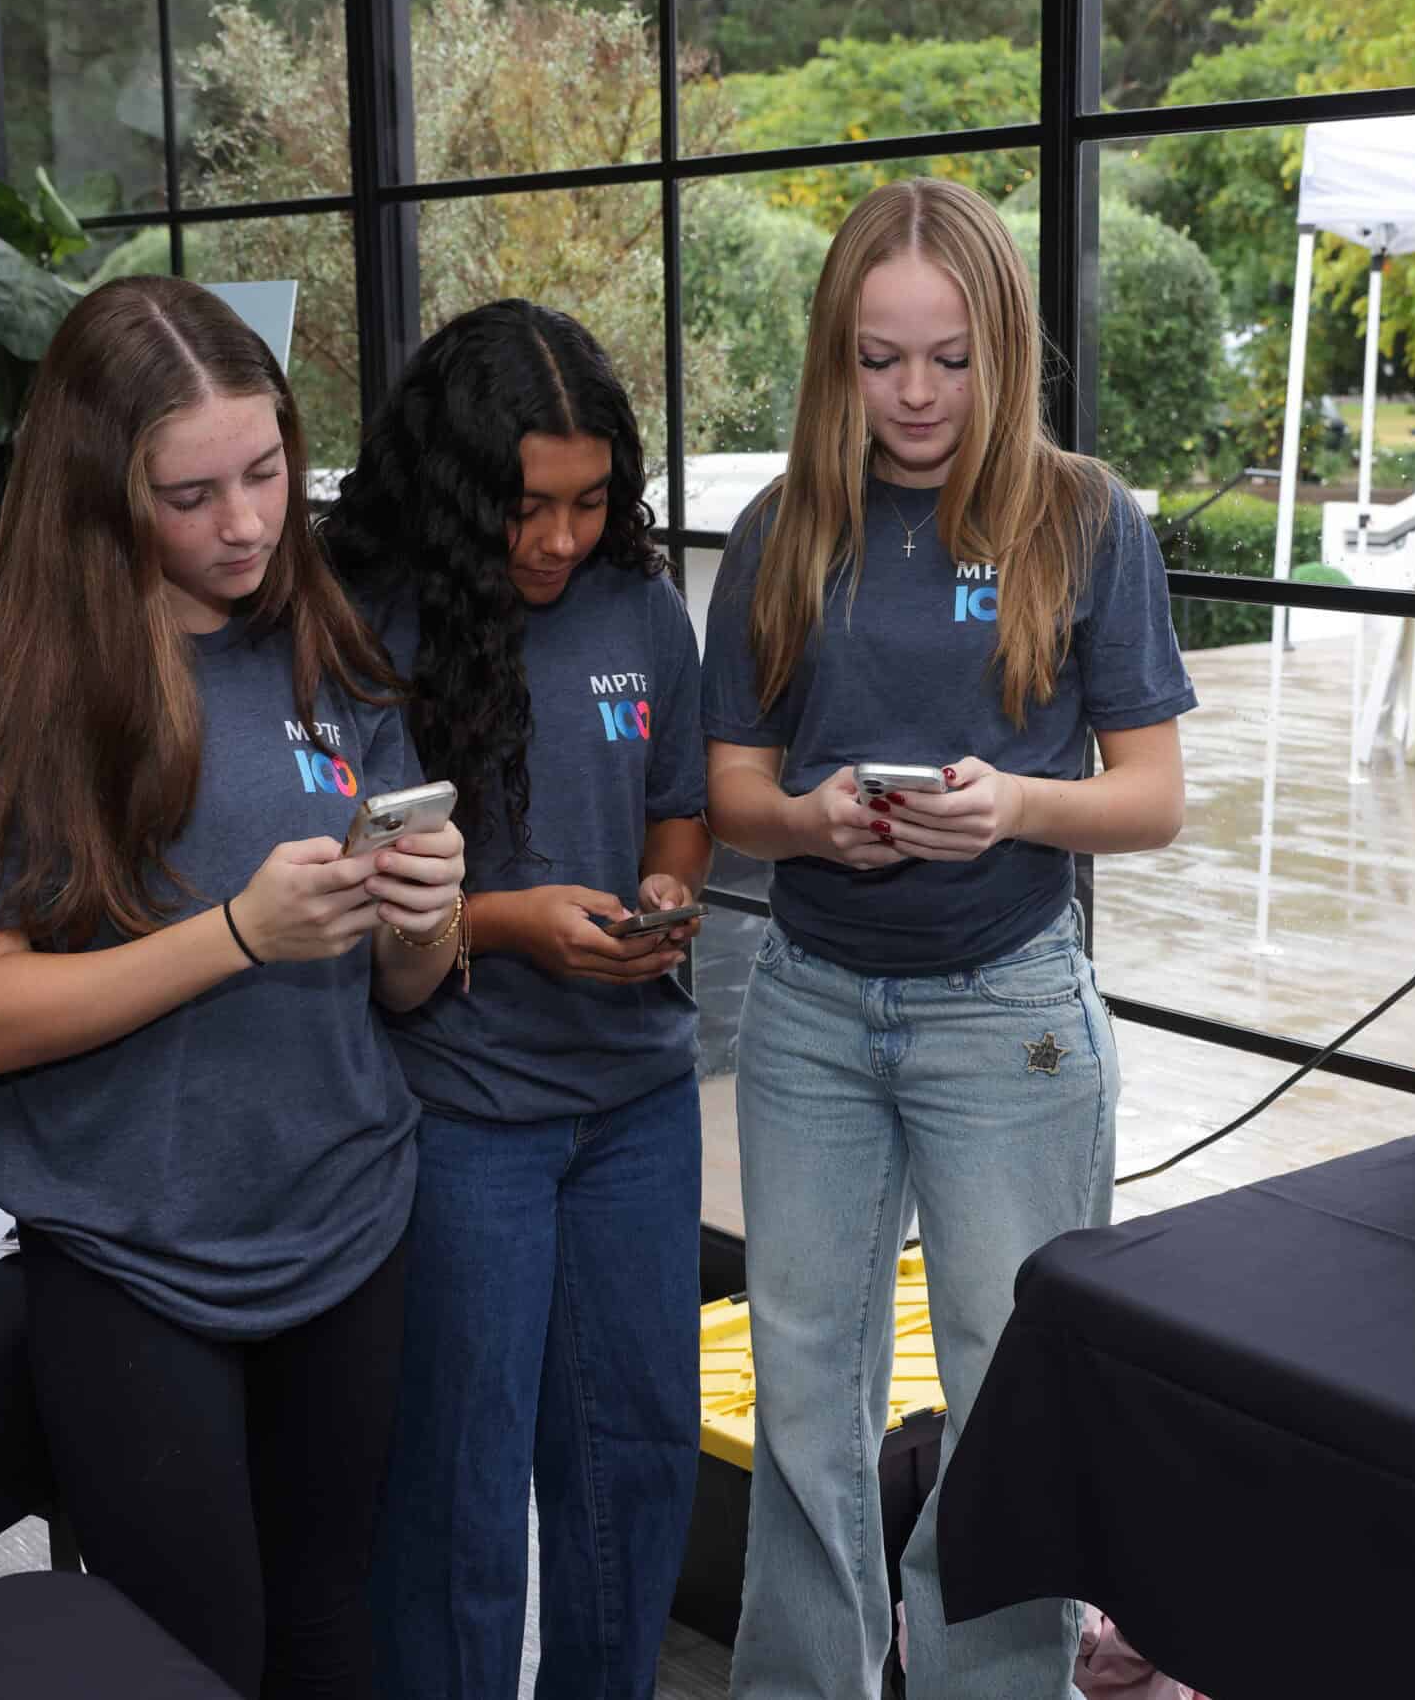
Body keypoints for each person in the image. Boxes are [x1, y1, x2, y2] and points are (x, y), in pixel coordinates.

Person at [0, 276, 466, 1700]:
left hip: (350, 1221)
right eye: (191, 494)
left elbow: (403, 995)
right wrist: (240, 935)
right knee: (191, 1660)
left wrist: (422, 916)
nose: (248, 524)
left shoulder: (320, 631)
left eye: (266, 471)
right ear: (97, 486)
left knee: (335, 1630)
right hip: (133, 1261)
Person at [701, 177, 1197, 1700]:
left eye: (950, 356)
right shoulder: (783, 529)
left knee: (1008, 1395)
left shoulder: (1087, 518)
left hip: (1012, 1018)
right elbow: (729, 788)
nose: (915, 394)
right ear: (833, 361)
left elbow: (1153, 797)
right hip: (809, 1013)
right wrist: (813, 820)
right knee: (804, 1401)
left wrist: (1016, 809)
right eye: (878, 358)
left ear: (1006, 348)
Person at [323, 299, 710, 1700]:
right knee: (462, 1489)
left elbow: (678, 808)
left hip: (637, 1108)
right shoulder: (374, 625)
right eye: (529, 508)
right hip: (463, 1113)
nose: (559, 538)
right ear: (462, 489)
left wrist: (665, 897)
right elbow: (354, 886)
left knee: (637, 1460)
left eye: (591, 502)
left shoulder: (643, 605)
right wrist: (515, 925)